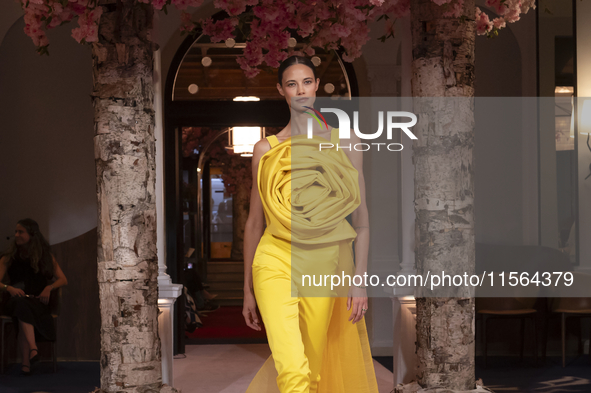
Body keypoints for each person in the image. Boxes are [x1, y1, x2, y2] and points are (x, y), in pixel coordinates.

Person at [242, 56, 378, 392]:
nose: (300, 90)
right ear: (281, 90)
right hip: (274, 261)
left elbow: (361, 221)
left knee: (312, 371)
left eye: (306, 82)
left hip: (325, 264)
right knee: (292, 369)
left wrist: (359, 281)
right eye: (291, 83)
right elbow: (254, 222)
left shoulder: (346, 141)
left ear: (317, 86)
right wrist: (246, 289)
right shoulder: (265, 149)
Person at [0, 219, 68, 376]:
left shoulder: (45, 256)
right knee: (20, 304)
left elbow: (63, 279)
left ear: (32, 234)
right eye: (16, 232)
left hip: (37, 301)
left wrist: (49, 288)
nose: (16, 235)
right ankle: (33, 348)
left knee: (23, 310)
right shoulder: (9, 257)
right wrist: (8, 288)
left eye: (20, 232)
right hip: (14, 299)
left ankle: (26, 364)